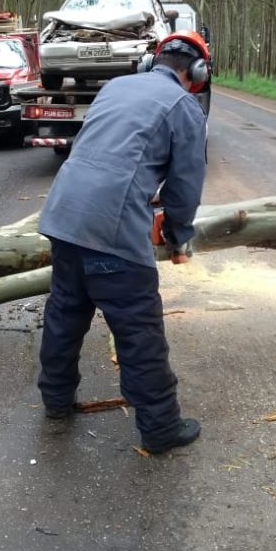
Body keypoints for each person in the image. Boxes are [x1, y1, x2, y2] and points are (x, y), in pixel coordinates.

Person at [37, 32, 209, 455]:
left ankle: (56, 402)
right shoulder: (184, 105)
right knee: (138, 330)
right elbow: (185, 186)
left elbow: (104, 149)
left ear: (155, 62)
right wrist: (177, 236)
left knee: (66, 313)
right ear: (197, 73)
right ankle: (161, 427)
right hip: (109, 229)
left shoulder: (115, 87)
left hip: (63, 215)